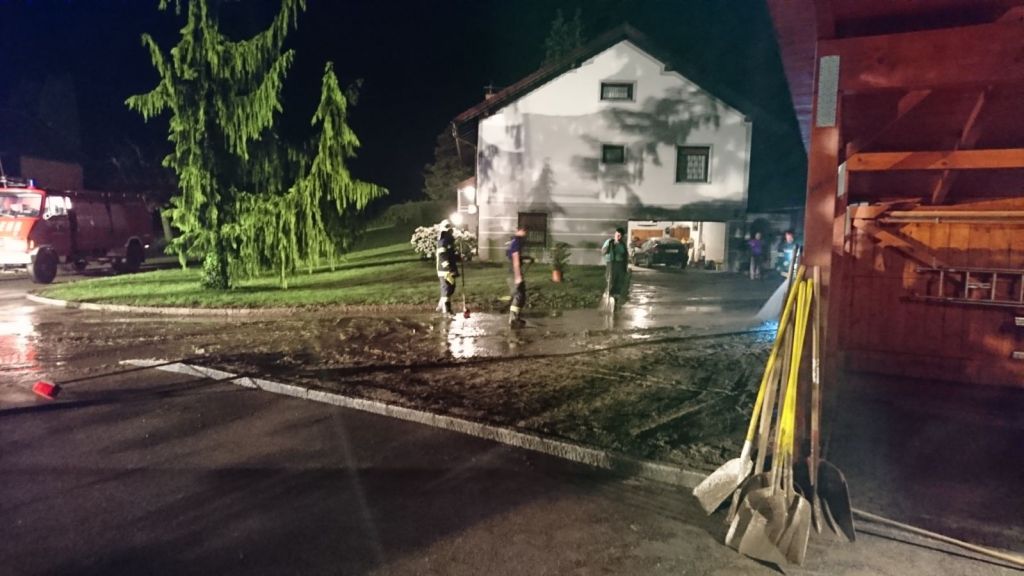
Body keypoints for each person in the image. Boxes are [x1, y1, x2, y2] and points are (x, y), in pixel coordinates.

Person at [506, 224, 529, 327]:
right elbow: (515, 258)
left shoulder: (514, 241)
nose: (525, 233)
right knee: (518, 295)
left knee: (521, 295)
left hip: (513, 271)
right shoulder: (517, 242)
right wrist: (518, 276)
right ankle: (513, 319)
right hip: (514, 272)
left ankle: (516, 317)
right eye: (524, 231)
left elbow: (515, 256)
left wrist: (526, 258)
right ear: (519, 231)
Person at [435, 219, 459, 315]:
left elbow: (450, 254)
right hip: (444, 270)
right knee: (446, 288)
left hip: (450, 269)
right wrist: (447, 266)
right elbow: (442, 255)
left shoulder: (449, 241)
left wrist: (458, 257)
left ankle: (441, 305)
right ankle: (446, 310)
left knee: (451, 288)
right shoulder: (443, 241)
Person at [602, 227, 630, 301]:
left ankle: (616, 295)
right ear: (615, 234)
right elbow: (603, 251)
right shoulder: (610, 242)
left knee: (619, 279)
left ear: (622, 236)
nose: (618, 237)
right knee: (610, 279)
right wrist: (610, 246)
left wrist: (626, 266)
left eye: (620, 236)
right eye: (617, 235)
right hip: (611, 263)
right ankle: (608, 293)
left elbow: (625, 255)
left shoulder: (622, 244)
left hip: (620, 264)